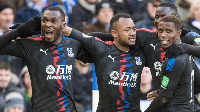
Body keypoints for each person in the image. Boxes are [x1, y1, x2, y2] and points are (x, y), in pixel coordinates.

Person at [0, 6, 92, 111]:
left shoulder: (73, 45)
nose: (48, 24)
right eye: (45, 21)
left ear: (63, 25)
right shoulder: (31, 44)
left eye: (54, 21)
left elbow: (99, 47)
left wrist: (72, 31)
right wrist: (19, 31)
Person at [62, 13, 145, 112]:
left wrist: (162, 88)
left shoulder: (142, 51)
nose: (132, 33)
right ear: (114, 33)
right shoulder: (103, 50)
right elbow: (73, 34)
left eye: (134, 29)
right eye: (127, 30)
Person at [145, 15, 196, 112]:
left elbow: (164, 98)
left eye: (168, 31)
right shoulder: (186, 55)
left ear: (179, 33)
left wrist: (164, 93)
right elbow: (197, 85)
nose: (163, 35)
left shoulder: (174, 60)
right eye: (160, 31)